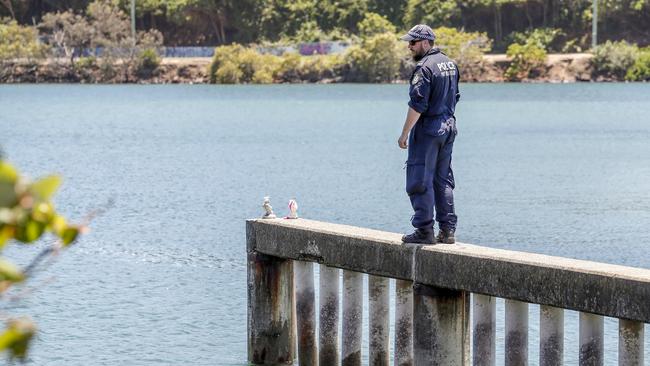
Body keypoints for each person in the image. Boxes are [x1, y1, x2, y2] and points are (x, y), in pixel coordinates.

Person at [398, 24, 460, 244]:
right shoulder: (450, 64)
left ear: (425, 42)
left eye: (412, 43)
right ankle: (447, 230)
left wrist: (404, 133)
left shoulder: (424, 68)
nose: (409, 47)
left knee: (419, 179)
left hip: (429, 129)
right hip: (448, 126)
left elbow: (417, 105)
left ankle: (424, 231)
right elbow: (455, 97)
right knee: (442, 180)